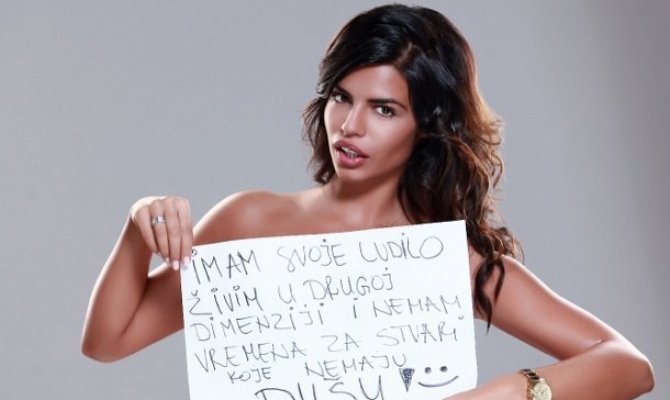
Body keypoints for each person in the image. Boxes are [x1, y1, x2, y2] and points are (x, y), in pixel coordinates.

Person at [81, 4, 654, 399]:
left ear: (426, 126)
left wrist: (512, 391)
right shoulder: (249, 220)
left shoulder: (444, 260)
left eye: (384, 109)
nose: (350, 126)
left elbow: (629, 365)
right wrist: (137, 228)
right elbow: (109, 341)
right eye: (341, 97)